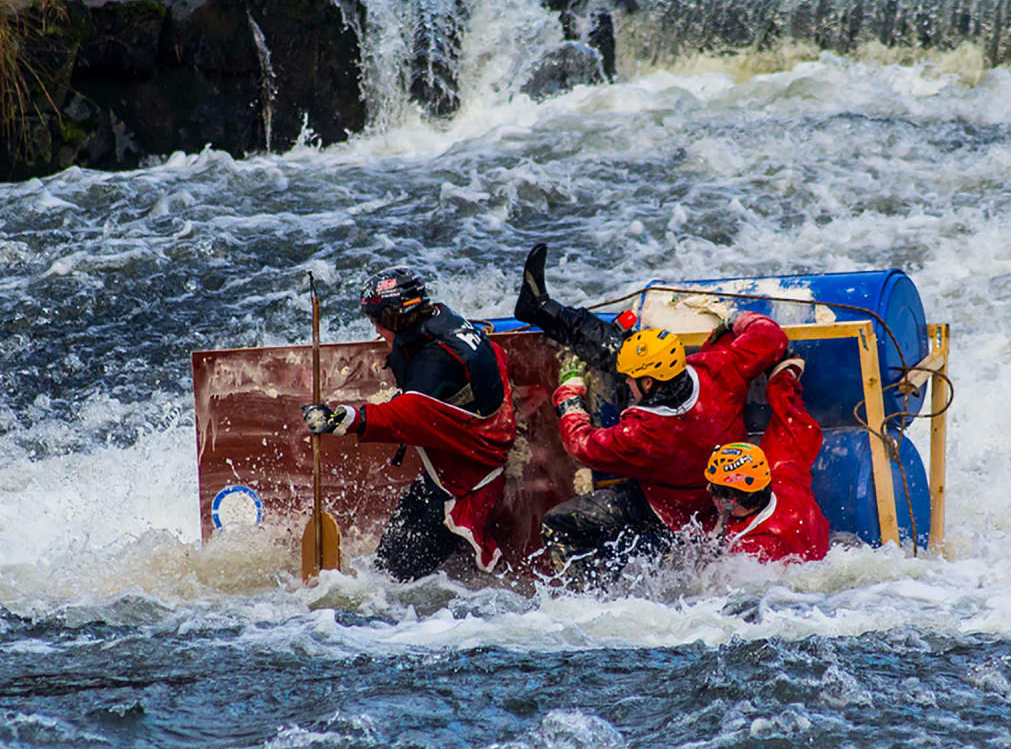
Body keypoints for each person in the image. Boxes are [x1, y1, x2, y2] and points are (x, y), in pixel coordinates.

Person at [513, 242, 789, 575]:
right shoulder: (718, 370)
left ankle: (599, 591)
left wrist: (570, 392)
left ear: (648, 384)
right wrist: (733, 317)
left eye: (633, 380)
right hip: (716, 486)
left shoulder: (641, 432)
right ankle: (540, 307)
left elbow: (581, 445)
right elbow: (770, 336)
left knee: (560, 525)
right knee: (619, 351)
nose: (627, 383)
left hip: (668, 509)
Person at [302, 266, 516, 582]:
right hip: (442, 473)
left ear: (396, 316)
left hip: (465, 486)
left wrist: (342, 419)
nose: (375, 330)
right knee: (383, 567)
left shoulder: (434, 363)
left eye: (378, 320)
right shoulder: (442, 318)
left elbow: (406, 414)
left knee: (393, 583)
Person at [705, 359, 829, 563]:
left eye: (715, 487)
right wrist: (783, 378)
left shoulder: (752, 552)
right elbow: (791, 420)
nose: (708, 489)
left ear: (733, 500)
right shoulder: (785, 472)